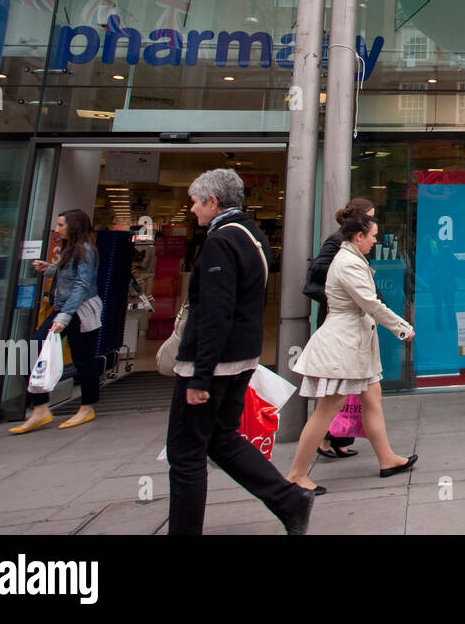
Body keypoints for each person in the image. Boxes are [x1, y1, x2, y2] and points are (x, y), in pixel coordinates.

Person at [167, 169, 313, 535]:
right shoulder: (255, 236)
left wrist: (200, 375)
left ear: (213, 202)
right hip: (242, 357)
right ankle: (288, 498)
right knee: (222, 438)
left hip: (214, 364)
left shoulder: (221, 241)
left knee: (185, 454)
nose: (192, 210)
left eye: (195, 202)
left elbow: (215, 311)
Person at [288, 214, 416, 490]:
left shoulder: (352, 259)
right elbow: (371, 303)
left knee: (372, 398)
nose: (375, 241)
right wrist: (402, 328)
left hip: (355, 345)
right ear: (359, 236)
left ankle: (387, 458)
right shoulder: (348, 263)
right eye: (372, 236)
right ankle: (297, 474)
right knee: (327, 409)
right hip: (343, 347)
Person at [11, 209, 101, 434]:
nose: (57, 228)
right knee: (32, 353)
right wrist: (50, 269)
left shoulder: (86, 251)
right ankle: (40, 408)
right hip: (64, 310)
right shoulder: (71, 249)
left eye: (61, 224)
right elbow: (72, 279)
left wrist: (64, 317)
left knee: (83, 361)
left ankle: (86, 407)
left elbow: (82, 286)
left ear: (73, 226)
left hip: (77, 312)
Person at [303, 196, 375, 458]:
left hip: (350, 318)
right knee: (341, 388)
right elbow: (318, 270)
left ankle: (338, 437)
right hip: (340, 318)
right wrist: (344, 285)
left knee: (359, 390)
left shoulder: (351, 244)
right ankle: (325, 439)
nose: (374, 223)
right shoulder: (338, 243)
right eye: (371, 215)